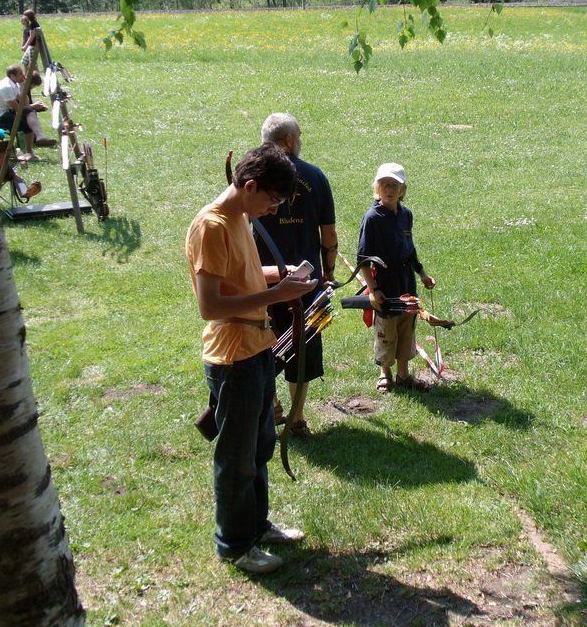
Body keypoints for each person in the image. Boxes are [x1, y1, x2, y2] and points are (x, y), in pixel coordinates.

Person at [185, 144, 317, 575]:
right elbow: (210, 305)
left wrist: (281, 275)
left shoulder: (240, 217)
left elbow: (241, 278)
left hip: (258, 348)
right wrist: (278, 295)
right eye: (272, 200)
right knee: (237, 457)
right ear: (251, 185)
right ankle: (235, 545)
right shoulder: (212, 227)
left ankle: (257, 526)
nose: (273, 210)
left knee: (259, 446)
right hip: (232, 357)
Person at [256, 113, 338, 437]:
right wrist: (328, 272)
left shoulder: (253, 175)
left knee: (262, 345)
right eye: (299, 136)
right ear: (289, 140)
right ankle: (297, 417)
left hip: (262, 282)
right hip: (306, 283)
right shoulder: (314, 176)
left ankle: (273, 403)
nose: (301, 141)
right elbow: (328, 234)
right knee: (303, 351)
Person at [356, 162, 435, 392]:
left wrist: (422, 274)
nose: (389, 189)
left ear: (403, 189)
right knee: (386, 331)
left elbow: (409, 249)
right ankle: (385, 373)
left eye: (394, 185)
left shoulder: (406, 215)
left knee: (405, 329)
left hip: (406, 282)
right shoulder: (372, 218)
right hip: (385, 284)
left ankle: (403, 374)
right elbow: (363, 259)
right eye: (384, 184)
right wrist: (373, 289)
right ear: (377, 188)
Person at [0, 65, 53, 162]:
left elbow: (23, 100)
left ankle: (39, 139)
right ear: (13, 76)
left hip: (5, 113)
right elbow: (17, 108)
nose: (24, 76)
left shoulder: (14, 84)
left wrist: (24, 88)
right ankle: (32, 149)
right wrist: (33, 106)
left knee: (29, 114)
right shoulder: (7, 87)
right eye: (21, 74)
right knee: (27, 123)